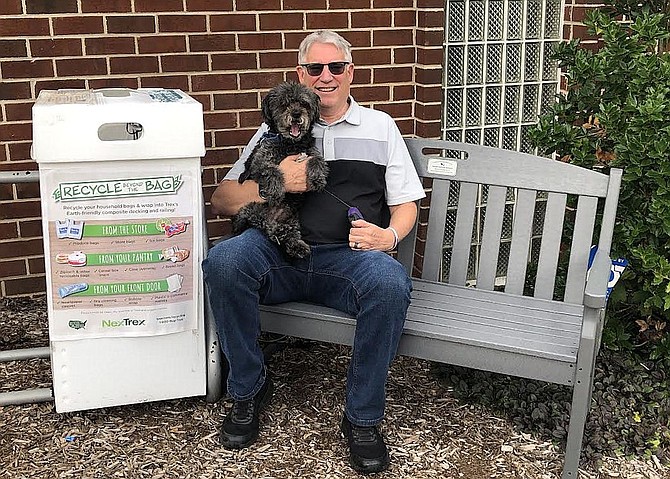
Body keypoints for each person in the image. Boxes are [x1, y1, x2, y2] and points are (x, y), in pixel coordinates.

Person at [202, 30, 425, 474]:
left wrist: (390, 237)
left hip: (348, 260)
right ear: (300, 74)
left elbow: (406, 204)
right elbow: (223, 199)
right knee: (225, 261)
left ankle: (362, 419)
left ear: (351, 72)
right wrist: (277, 183)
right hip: (276, 253)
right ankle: (248, 389)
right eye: (315, 68)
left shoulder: (380, 127)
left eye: (336, 67)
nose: (326, 76)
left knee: (391, 282)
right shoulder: (273, 131)